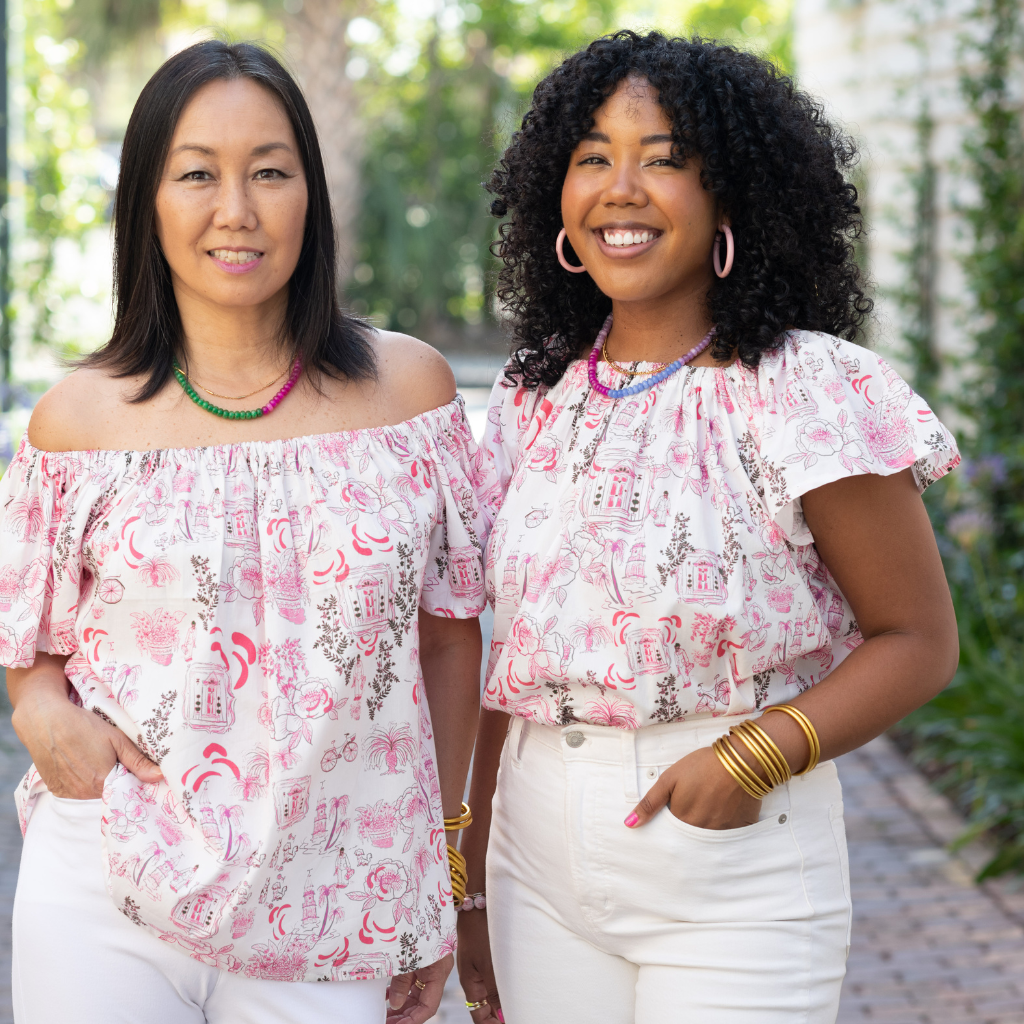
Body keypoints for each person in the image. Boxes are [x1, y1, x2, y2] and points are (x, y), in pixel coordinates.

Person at [454, 31, 961, 1024]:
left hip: (736, 856)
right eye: (593, 156)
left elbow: (918, 640)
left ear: (733, 194)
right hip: (534, 853)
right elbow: (501, 654)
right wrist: (469, 874)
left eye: (665, 159)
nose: (621, 187)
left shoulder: (805, 388)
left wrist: (756, 754)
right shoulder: (531, 397)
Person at [1, 41, 490, 1024]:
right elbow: (29, 637)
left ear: (309, 191)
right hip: (108, 883)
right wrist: (38, 710)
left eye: (270, 170)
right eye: (197, 174)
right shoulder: (78, 419)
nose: (238, 208)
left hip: (334, 899)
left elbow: (449, 635)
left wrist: (441, 871)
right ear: (146, 199)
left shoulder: (410, 395)